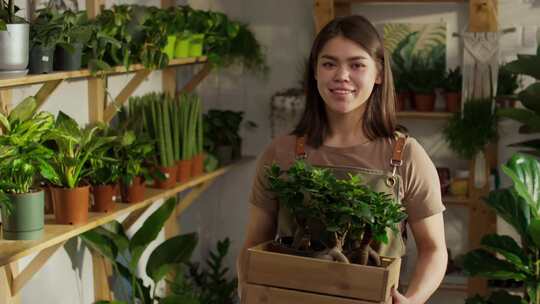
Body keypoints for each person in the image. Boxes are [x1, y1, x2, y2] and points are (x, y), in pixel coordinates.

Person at [237, 15, 447, 304]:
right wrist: (247, 292)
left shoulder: (406, 156)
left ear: (379, 74)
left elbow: (434, 250)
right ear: (315, 71)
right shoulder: (280, 153)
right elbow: (253, 244)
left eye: (357, 64)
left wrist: (414, 299)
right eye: (329, 63)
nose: (341, 75)